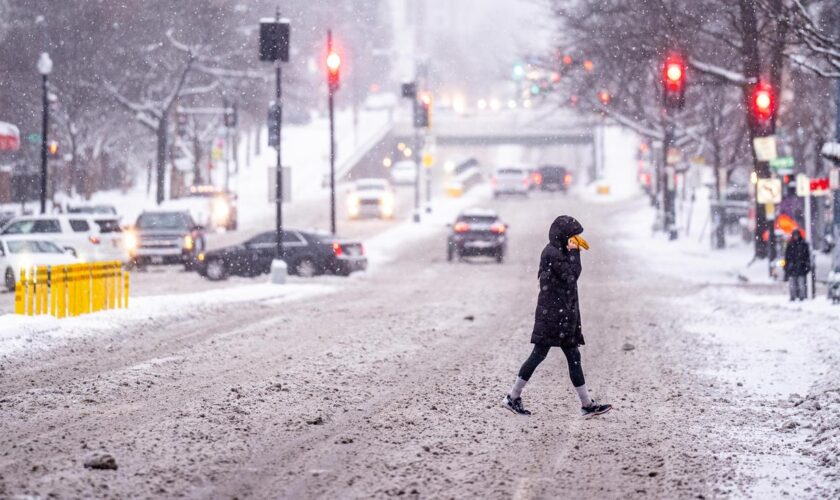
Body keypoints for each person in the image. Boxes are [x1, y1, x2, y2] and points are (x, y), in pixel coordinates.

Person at [502, 215, 612, 418]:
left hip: (561, 315)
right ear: (564, 236)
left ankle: (586, 404)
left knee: (569, 357)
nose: (577, 239)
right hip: (554, 316)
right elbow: (571, 277)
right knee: (541, 355)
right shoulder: (554, 253)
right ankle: (513, 396)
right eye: (574, 236)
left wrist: (571, 251)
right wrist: (575, 252)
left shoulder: (558, 250)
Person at [784, 229, 810, 301]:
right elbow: (787, 256)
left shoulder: (802, 244)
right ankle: (794, 296)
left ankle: (801, 296)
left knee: (800, 283)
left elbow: (806, 256)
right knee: (793, 284)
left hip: (799, 267)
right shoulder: (791, 245)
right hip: (794, 267)